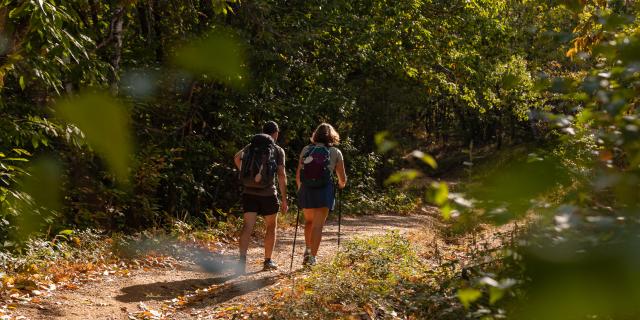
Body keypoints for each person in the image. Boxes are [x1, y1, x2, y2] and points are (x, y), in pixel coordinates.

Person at [234, 121, 288, 274]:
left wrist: (245, 174)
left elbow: (237, 158)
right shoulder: (277, 150)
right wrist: (284, 198)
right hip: (268, 194)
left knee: (247, 226)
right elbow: (282, 175)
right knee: (271, 226)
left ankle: (241, 262)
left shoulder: (251, 146)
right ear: (276, 133)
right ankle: (267, 260)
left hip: (249, 193)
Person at [296, 123, 347, 266]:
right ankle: (312, 258)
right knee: (318, 226)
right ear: (332, 136)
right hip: (324, 190)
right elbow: (342, 177)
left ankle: (307, 249)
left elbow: (299, 173)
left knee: (309, 222)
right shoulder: (335, 152)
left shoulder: (306, 149)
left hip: (307, 189)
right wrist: (341, 185)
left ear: (315, 135)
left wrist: (301, 189)